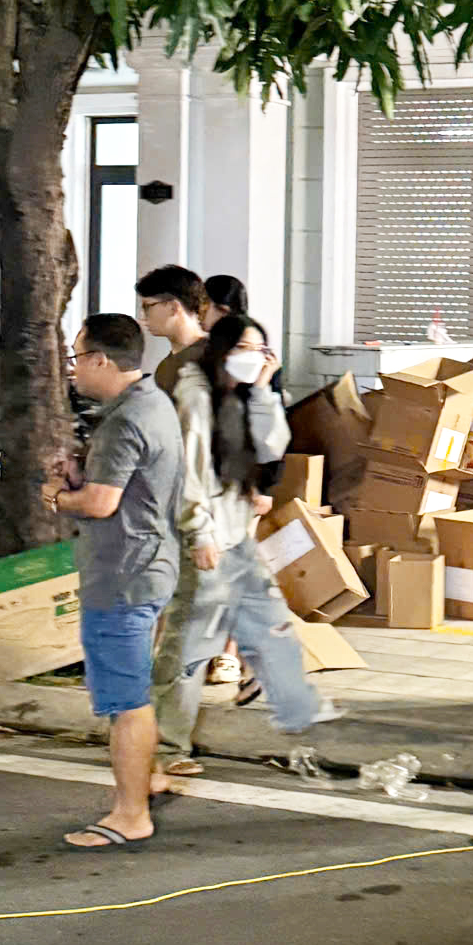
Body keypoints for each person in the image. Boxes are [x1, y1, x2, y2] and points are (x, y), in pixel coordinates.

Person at [153, 311, 339, 778]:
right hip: (207, 535)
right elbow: (189, 472)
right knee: (189, 641)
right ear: (221, 351)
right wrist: (199, 534)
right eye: (242, 349)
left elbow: (271, 446)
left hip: (235, 531)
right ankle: (164, 745)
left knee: (266, 617)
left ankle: (274, 694)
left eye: (259, 350)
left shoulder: (240, 394)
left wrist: (262, 389)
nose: (251, 357)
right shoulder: (196, 395)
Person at [47, 314, 183, 851]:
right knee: (136, 687)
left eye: (77, 357)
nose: (74, 369)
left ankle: (131, 814)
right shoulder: (154, 403)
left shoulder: (123, 421)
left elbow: (101, 503)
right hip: (153, 565)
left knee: (126, 701)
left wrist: (57, 496)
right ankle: (150, 779)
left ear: (101, 360)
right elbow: (132, 485)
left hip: (122, 576)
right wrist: (83, 471)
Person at [136, 264, 208, 395]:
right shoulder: (165, 365)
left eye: (147, 306)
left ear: (173, 308)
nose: (142, 316)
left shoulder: (212, 358)